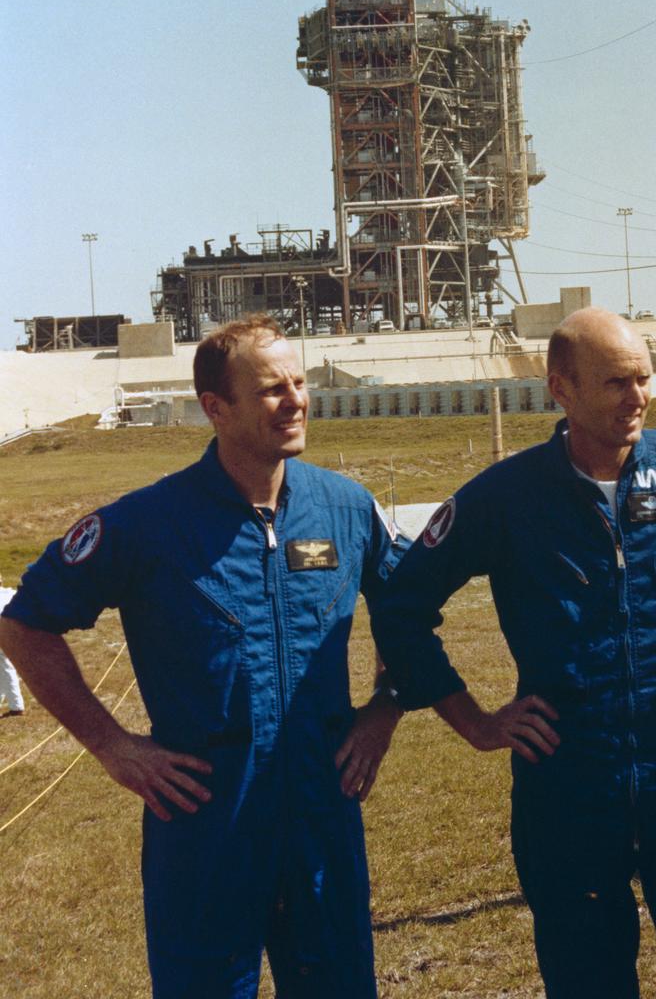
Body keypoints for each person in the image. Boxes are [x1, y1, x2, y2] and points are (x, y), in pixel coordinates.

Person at [371, 307, 656, 999]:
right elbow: (400, 602)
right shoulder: (507, 497)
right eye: (614, 383)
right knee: (586, 980)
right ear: (560, 389)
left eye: (643, 378)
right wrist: (473, 721)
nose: (636, 398)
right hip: (565, 781)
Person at [0, 314, 408, 999]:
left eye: (300, 383)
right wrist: (113, 746)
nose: (295, 401)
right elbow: (25, 626)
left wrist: (386, 709)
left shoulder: (345, 508)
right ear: (216, 408)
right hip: (205, 818)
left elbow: (409, 606)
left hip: (321, 812)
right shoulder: (146, 524)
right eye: (272, 390)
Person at [0, 577, 25, 716]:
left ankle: (16, 706)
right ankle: (15, 704)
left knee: (5, 669)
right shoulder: (10, 593)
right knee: (4, 670)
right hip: (16, 636)